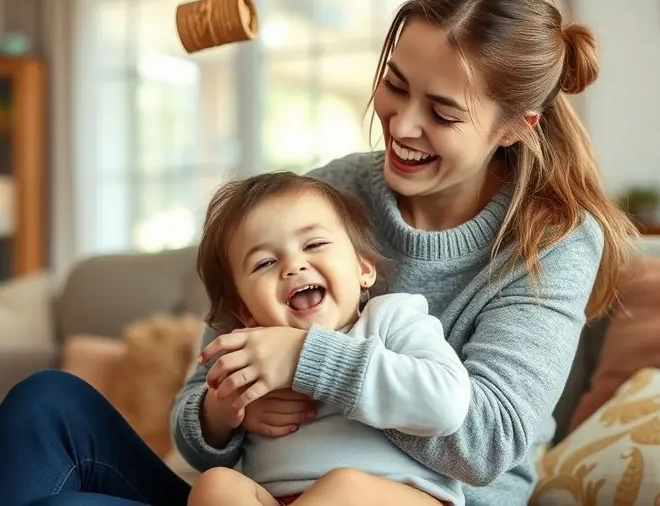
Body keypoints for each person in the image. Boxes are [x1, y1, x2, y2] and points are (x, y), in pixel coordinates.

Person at [0, 0, 636, 506]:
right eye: (394, 84)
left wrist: (308, 362)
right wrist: (225, 409)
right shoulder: (324, 197)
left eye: (442, 113)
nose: (401, 123)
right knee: (49, 403)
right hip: (260, 497)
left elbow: (483, 441)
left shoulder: (555, 239)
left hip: (412, 499)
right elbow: (200, 407)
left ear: (516, 126)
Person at [186, 171, 470, 506]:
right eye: (265, 263)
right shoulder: (250, 352)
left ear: (363, 268)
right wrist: (226, 413)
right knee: (215, 485)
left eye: (315, 244)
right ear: (245, 311)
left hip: (398, 495)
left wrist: (306, 356)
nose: (293, 266)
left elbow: (447, 406)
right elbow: (202, 442)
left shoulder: (391, 318)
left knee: (343, 487)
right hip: (278, 498)